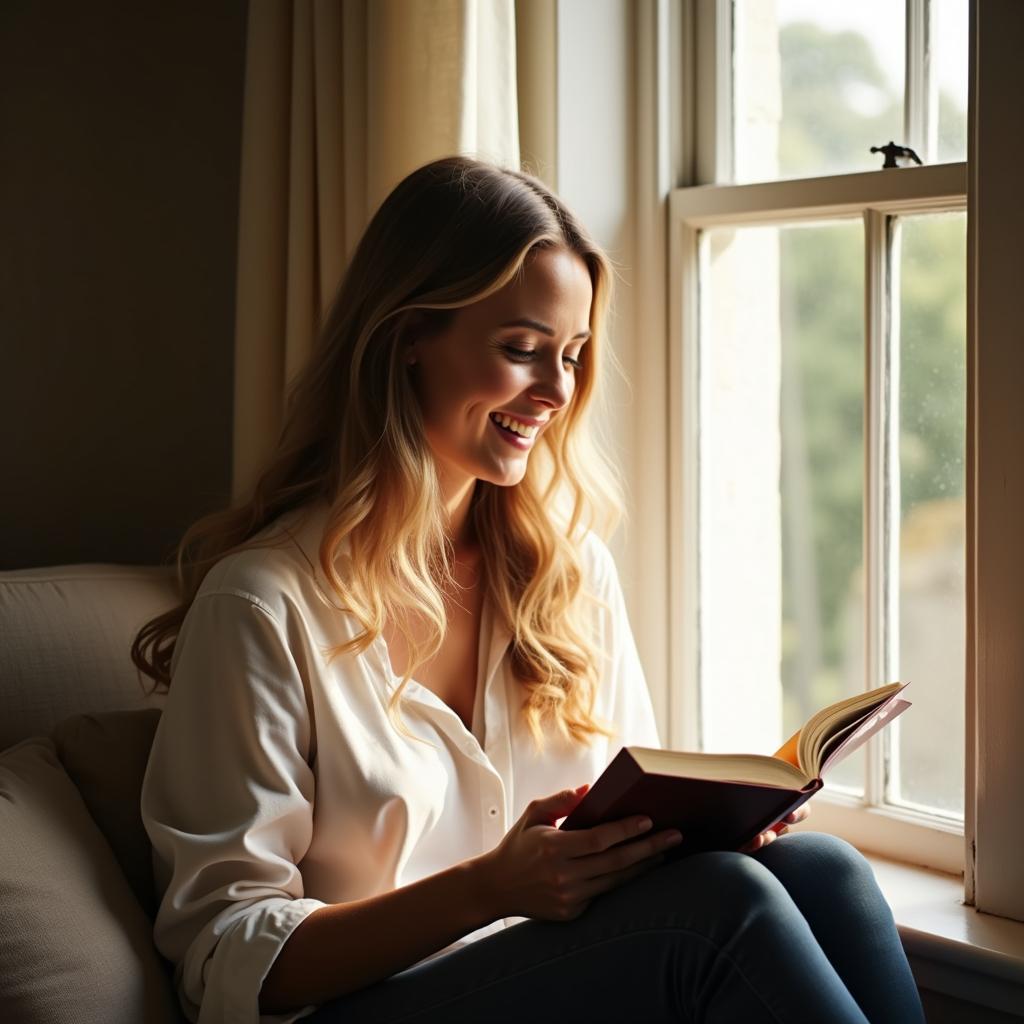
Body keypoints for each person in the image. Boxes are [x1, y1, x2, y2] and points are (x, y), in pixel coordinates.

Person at [134, 156, 925, 1024]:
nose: (556, 392)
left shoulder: (568, 574)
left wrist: (694, 832)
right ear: (408, 336)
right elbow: (226, 959)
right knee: (717, 914)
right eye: (522, 350)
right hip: (358, 1008)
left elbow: (632, 814)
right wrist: (491, 888)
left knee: (824, 872)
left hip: (556, 985)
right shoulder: (263, 606)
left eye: (574, 356)